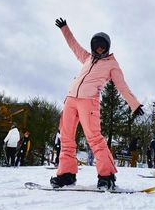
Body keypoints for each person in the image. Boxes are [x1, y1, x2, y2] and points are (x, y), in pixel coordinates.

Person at [50, 17, 144, 190]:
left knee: (94, 138)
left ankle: (106, 175)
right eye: (96, 46)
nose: (99, 49)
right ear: (93, 46)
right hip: (70, 99)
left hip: (89, 103)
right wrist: (65, 28)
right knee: (66, 138)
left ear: (107, 48)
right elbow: (74, 45)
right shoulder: (87, 57)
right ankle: (66, 174)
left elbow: (122, 86)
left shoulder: (112, 64)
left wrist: (134, 104)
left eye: (102, 46)